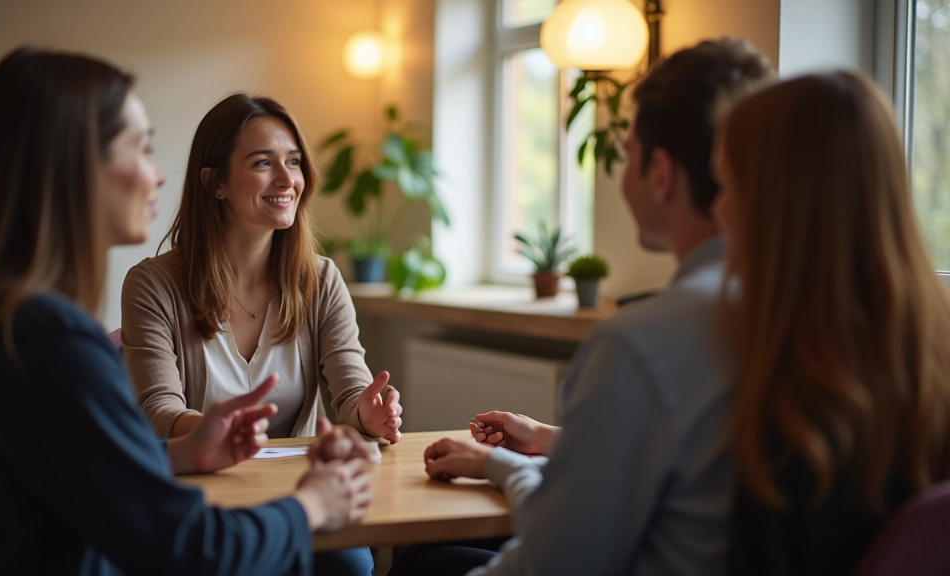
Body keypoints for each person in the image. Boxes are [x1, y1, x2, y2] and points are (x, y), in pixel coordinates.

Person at [0, 47, 375, 575]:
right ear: (73, 166)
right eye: (141, 149)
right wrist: (313, 505)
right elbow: (189, 548)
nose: (158, 176)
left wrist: (183, 456)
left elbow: (78, 471)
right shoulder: (47, 341)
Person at [388, 38, 776, 576]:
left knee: (422, 565)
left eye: (628, 157)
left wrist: (504, 467)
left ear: (661, 174)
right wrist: (541, 444)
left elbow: (556, 561)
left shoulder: (642, 345)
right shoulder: (804, 313)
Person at [121, 92, 396, 576]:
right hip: (205, 495)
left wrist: (369, 413)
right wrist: (211, 432)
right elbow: (157, 411)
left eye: (293, 162)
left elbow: (352, 389)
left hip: (302, 493)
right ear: (216, 183)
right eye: (263, 162)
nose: (288, 179)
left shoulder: (321, 279)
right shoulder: (153, 285)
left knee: (352, 565)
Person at [713, 71, 950, 575]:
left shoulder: (786, 423)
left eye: (730, 185)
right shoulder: (927, 366)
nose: (720, 209)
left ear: (778, 211)